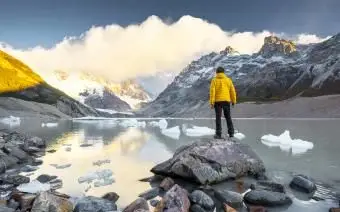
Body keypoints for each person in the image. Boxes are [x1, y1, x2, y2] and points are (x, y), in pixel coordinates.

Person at [209, 67, 237, 139]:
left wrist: (212, 102)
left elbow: (212, 92)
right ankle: (231, 133)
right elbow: (232, 91)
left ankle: (218, 134)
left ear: (216, 72)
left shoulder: (214, 80)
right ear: (224, 72)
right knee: (228, 117)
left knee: (218, 118)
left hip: (217, 102)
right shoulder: (228, 80)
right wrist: (233, 100)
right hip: (226, 101)